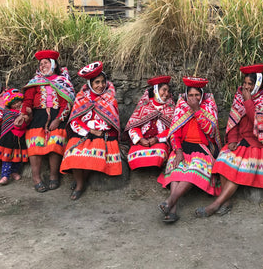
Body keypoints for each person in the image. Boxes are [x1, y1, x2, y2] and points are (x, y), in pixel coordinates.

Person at [195, 64, 263, 217]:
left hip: (259, 144)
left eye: (250, 84)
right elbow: (234, 120)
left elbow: (259, 123)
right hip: (242, 141)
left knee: (237, 169)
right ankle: (227, 202)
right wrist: (233, 139)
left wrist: (248, 101)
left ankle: (215, 205)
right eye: (245, 83)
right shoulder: (239, 95)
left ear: (258, 84)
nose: (246, 87)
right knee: (222, 161)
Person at [158, 76, 222, 223]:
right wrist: (178, 151)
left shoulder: (208, 107)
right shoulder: (181, 107)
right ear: (186, 95)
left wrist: (197, 110)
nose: (194, 98)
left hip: (202, 148)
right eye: (191, 95)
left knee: (193, 169)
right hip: (183, 147)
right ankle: (172, 210)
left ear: (202, 95)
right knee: (176, 168)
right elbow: (174, 134)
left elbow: (210, 131)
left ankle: (170, 201)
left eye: (197, 95)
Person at [60, 61, 121, 200]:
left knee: (91, 154)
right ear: (90, 85)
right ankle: (80, 183)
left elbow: (110, 123)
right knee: (73, 151)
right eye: (97, 83)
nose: (100, 85)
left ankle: (80, 183)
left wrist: (94, 128)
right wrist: (89, 130)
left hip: (103, 134)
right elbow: (75, 120)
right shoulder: (81, 98)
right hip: (85, 132)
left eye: (103, 82)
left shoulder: (110, 98)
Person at [16, 50, 75, 193]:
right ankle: (36, 178)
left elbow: (66, 104)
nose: (43, 66)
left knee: (56, 141)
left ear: (53, 65)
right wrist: (24, 114)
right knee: (34, 143)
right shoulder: (35, 82)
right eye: (41, 64)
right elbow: (28, 100)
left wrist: (59, 119)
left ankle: (54, 176)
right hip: (38, 115)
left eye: (46, 63)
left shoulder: (63, 82)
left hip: (57, 114)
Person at [124, 75, 175, 170]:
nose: (166, 94)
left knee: (160, 153)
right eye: (164, 90)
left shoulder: (170, 108)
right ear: (155, 90)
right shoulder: (144, 105)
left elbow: (172, 129)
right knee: (133, 156)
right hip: (142, 141)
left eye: (168, 91)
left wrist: (157, 139)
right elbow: (133, 126)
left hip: (159, 142)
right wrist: (140, 139)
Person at [0, 88, 28, 185]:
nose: (17, 105)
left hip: (20, 138)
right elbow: (9, 124)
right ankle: (5, 175)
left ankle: (14, 172)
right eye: (14, 103)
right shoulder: (8, 113)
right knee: (7, 158)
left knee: (18, 157)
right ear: (10, 105)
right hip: (9, 138)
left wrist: (24, 116)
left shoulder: (24, 112)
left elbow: (25, 123)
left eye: (18, 102)